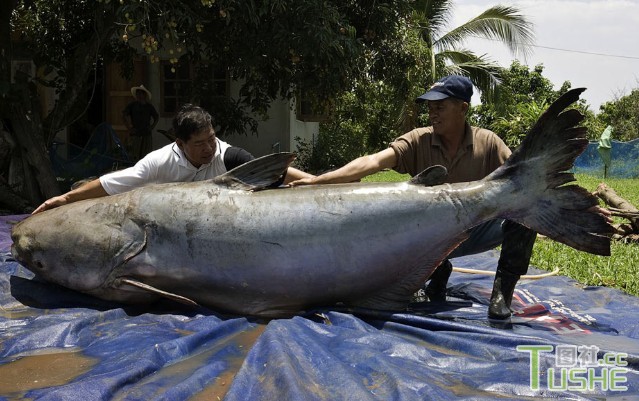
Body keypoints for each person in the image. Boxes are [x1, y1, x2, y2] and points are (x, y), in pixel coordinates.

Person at [290, 75, 538, 319]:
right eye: (430, 108)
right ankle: (434, 270)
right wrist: (318, 180)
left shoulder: (489, 142)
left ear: (463, 108)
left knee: (526, 211)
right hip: (426, 237)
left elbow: (520, 176)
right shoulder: (419, 140)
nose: (433, 113)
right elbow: (373, 161)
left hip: (475, 229)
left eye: (439, 107)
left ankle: (502, 293)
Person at [34, 104, 313, 214]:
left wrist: (318, 182)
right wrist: (66, 199)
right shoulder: (157, 163)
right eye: (200, 143)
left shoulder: (228, 156)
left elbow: (274, 171)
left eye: (212, 139)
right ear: (179, 143)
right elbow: (110, 184)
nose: (209, 148)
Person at [123, 84, 159, 161]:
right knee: (134, 155)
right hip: (136, 133)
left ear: (144, 95)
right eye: (137, 93)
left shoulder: (149, 106)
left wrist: (152, 127)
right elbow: (124, 115)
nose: (138, 95)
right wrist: (129, 128)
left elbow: (156, 117)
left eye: (140, 93)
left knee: (146, 156)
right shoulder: (132, 105)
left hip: (146, 133)